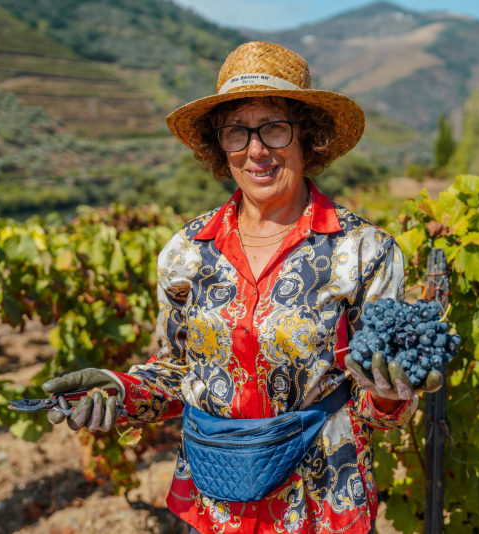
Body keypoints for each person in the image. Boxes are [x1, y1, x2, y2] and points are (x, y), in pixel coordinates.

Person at [42, 41, 443, 534]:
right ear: (221, 146)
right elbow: (175, 372)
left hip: (318, 502)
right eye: (237, 131)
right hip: (215, 502)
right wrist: (118, 391)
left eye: (274, 127)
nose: (256, 149)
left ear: (307, 137)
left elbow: (377, 408)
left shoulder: (362, 252)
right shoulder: (186, 251)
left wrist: (386, 393)